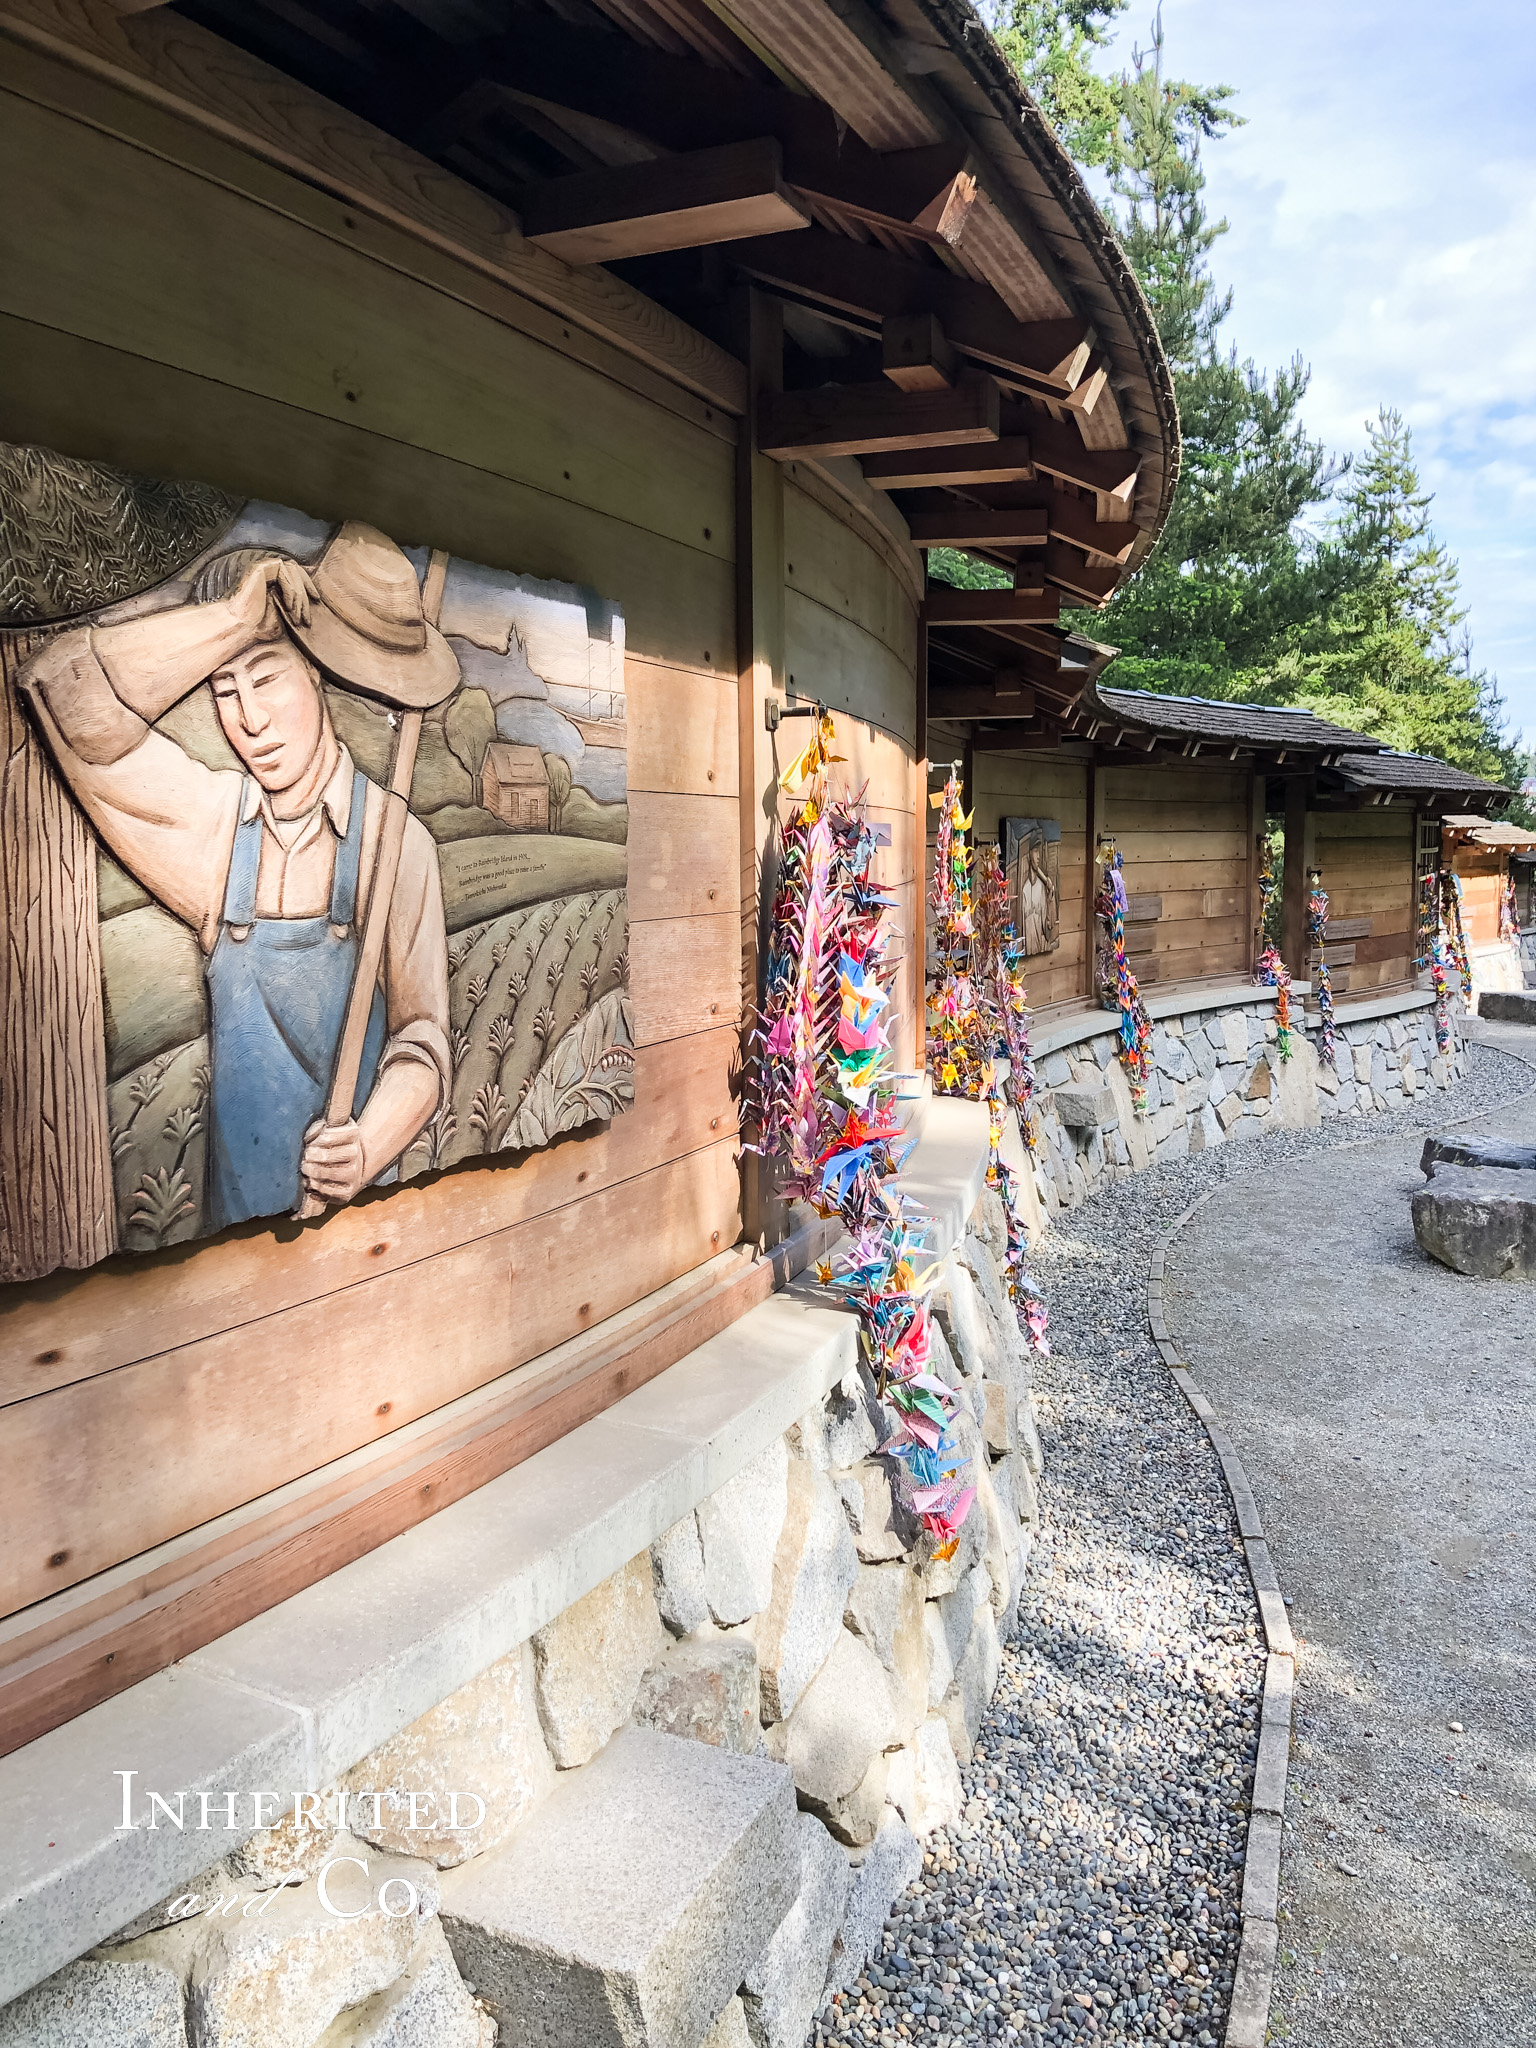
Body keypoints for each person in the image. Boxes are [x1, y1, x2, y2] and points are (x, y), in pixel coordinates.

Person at [21, 521, 453, 1227]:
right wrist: (229, 622)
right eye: (223, 689)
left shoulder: (396, 845)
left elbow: (422, 1040)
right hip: (237, 1245)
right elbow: (60, 688)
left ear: (317, 676)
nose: (249, 719)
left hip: (370, 1240)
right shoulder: (213, 833)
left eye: (267, 677)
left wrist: (368, 1144)